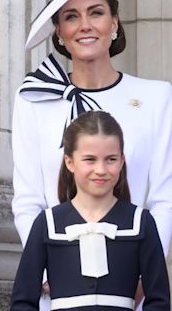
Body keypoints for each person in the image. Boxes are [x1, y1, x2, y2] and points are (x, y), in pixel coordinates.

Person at [12, 0, 172, 265]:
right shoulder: (34, 99)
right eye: (72, 16)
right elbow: (28, 201)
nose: (85, 25)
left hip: (132, 273)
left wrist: (145, 270)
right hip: (56, 277)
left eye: (96, 12)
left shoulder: (158, 97)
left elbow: (165, 199)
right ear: (59, 32)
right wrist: (46, 271)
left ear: (114, 21)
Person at [11, 111, 170, 310]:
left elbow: (159, 301)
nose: (101, 169)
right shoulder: (48, 223)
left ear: (122, 161)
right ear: (70, 162)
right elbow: (23, 301)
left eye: (111, 159)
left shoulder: (141, 222)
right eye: (90, 159)